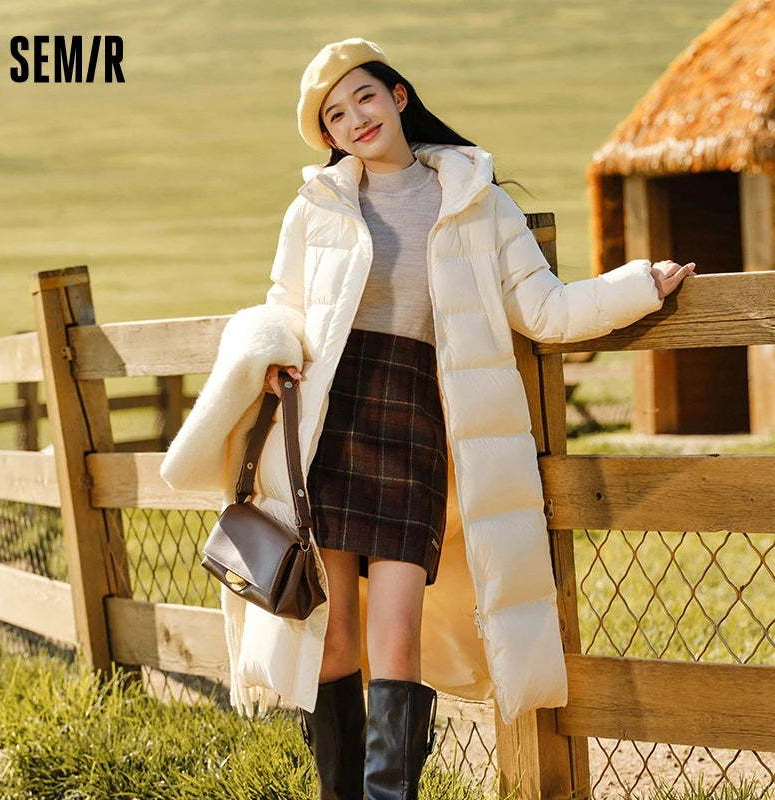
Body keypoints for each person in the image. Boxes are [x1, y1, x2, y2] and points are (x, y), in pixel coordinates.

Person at [161, 37, 695, 800]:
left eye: (364, 98)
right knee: (337, 633)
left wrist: (642, 284)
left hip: (415, 425)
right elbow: (285, 304)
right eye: (335, 116)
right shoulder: (317, 207)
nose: (354, 120)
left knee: (398, 635)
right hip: (331, 425)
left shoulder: (476, 198)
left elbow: (544, 309)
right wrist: (274, 350)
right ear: (331, 137)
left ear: (399, 96)